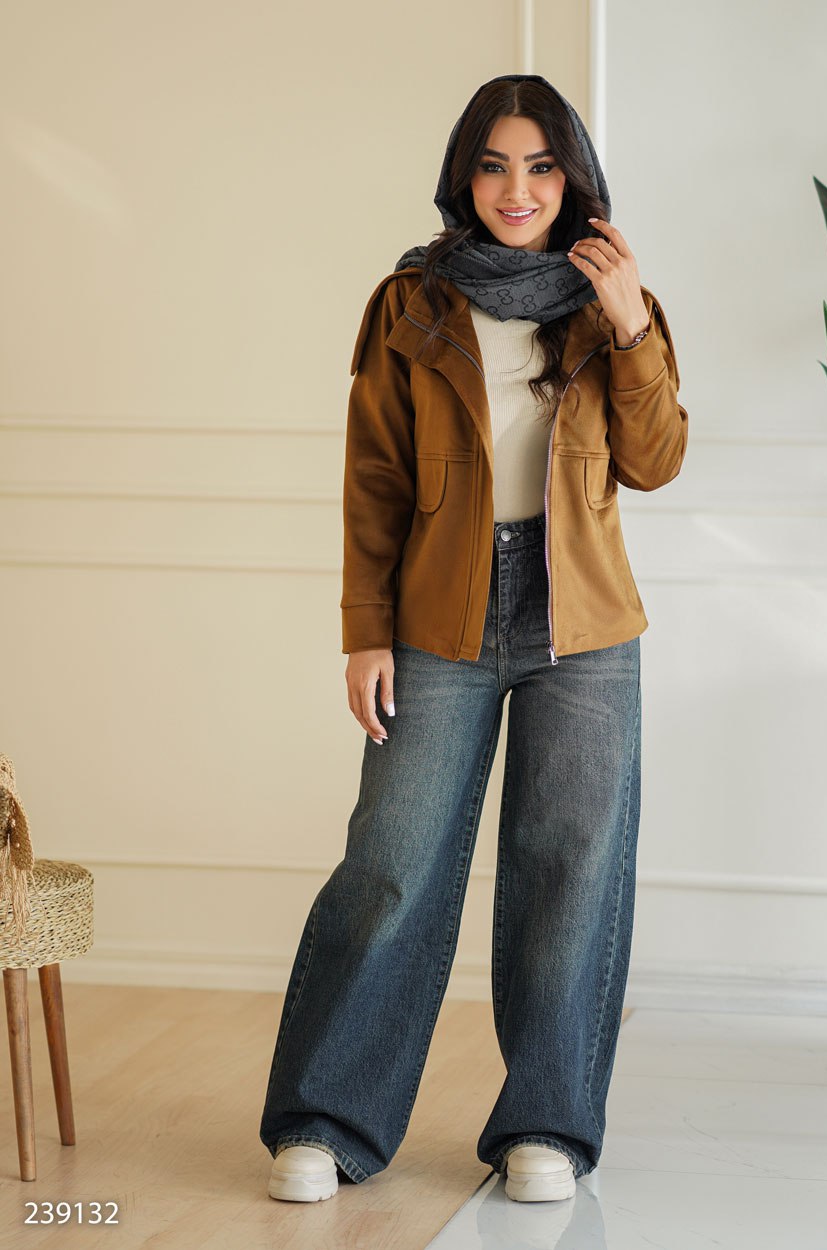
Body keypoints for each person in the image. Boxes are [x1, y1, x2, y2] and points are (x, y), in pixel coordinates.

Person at [259, 72, 689, 1206]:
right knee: (391, 862)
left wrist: (632, 324)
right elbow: (374, 478)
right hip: (437, 611)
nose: (517, 189)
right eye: (495, 165)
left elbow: (656, 461)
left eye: (540, 166)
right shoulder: (411, 300)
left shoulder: (613, 299)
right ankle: (326, 1119)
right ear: (465, 176)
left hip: (583, 621)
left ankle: (546, 1124)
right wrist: (364, 631)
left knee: (569, 870)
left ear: (571, 179)